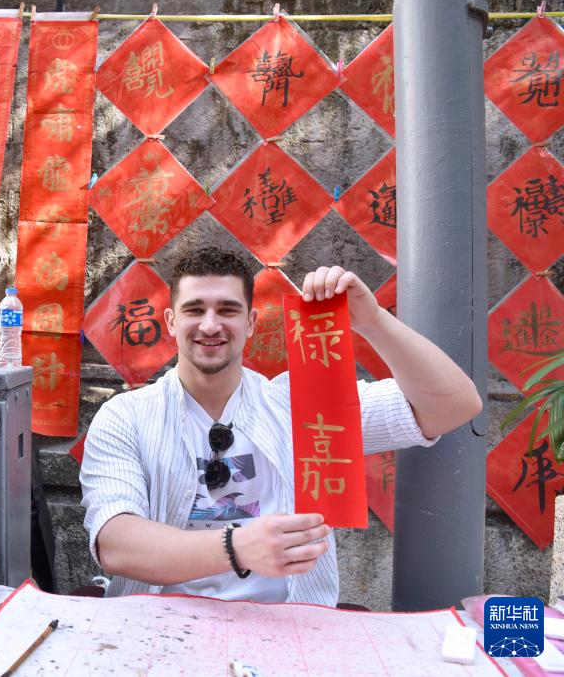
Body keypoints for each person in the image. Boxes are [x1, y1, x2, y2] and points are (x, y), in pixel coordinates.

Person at [80, 249, 483, 606]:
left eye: (227, 310)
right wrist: (238, 547)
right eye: (194, 310)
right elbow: (116, 545)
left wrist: (373, 321)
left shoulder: (304, 404)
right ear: (171, 321)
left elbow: (455, 406)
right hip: (158, 625)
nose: (210, 325)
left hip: (291, 625)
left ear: (251, 322)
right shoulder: (125, 417)